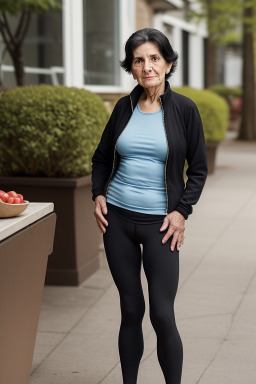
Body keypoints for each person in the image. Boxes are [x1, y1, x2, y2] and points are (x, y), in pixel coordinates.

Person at [91, 28, 208, 384]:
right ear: (132, 68)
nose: (147, 66)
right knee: (130, 308)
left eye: (154, 58)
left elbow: (199, 169)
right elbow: (100, 158)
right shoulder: (123, 107)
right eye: (139, 60)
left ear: (168, 63)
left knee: (161, 313)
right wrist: (98, 193)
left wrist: (181, 211)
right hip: (118, 222)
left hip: (161, 225)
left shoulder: (184, 109)